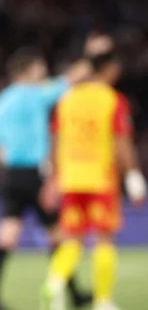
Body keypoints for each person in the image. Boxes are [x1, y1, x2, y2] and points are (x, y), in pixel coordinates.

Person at [0, 40, 109, 310]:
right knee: (59, 236)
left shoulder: (1, 100)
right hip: (36, 173)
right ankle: (73, 293)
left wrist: (10, 164)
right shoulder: (35, 93)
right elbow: (71, 80)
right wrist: (91, 54)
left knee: (7, 236)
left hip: (13, 174)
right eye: (39, 66)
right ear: (28, 70)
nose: (43, 71)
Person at [40, 50, 147, 310]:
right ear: (109, 69)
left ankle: (53, 285)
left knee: (72, 238)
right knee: (104, 239)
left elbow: (55, 141)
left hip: (71, 178)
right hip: (100, 178)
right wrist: (133, 174)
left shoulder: (67, 100)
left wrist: (53, 177)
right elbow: (122, 141)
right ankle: (102, 300)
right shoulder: (112, 100)